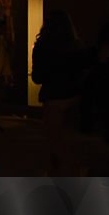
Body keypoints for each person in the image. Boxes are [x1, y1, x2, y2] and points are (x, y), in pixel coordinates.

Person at [31, 10, 87, 176]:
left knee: (54, 145)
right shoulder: (76, 46)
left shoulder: (42, 46)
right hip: (74, 98)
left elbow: (37, 77)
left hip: (53, 99)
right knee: (70, 144)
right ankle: (73, 177)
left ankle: (58, 180)